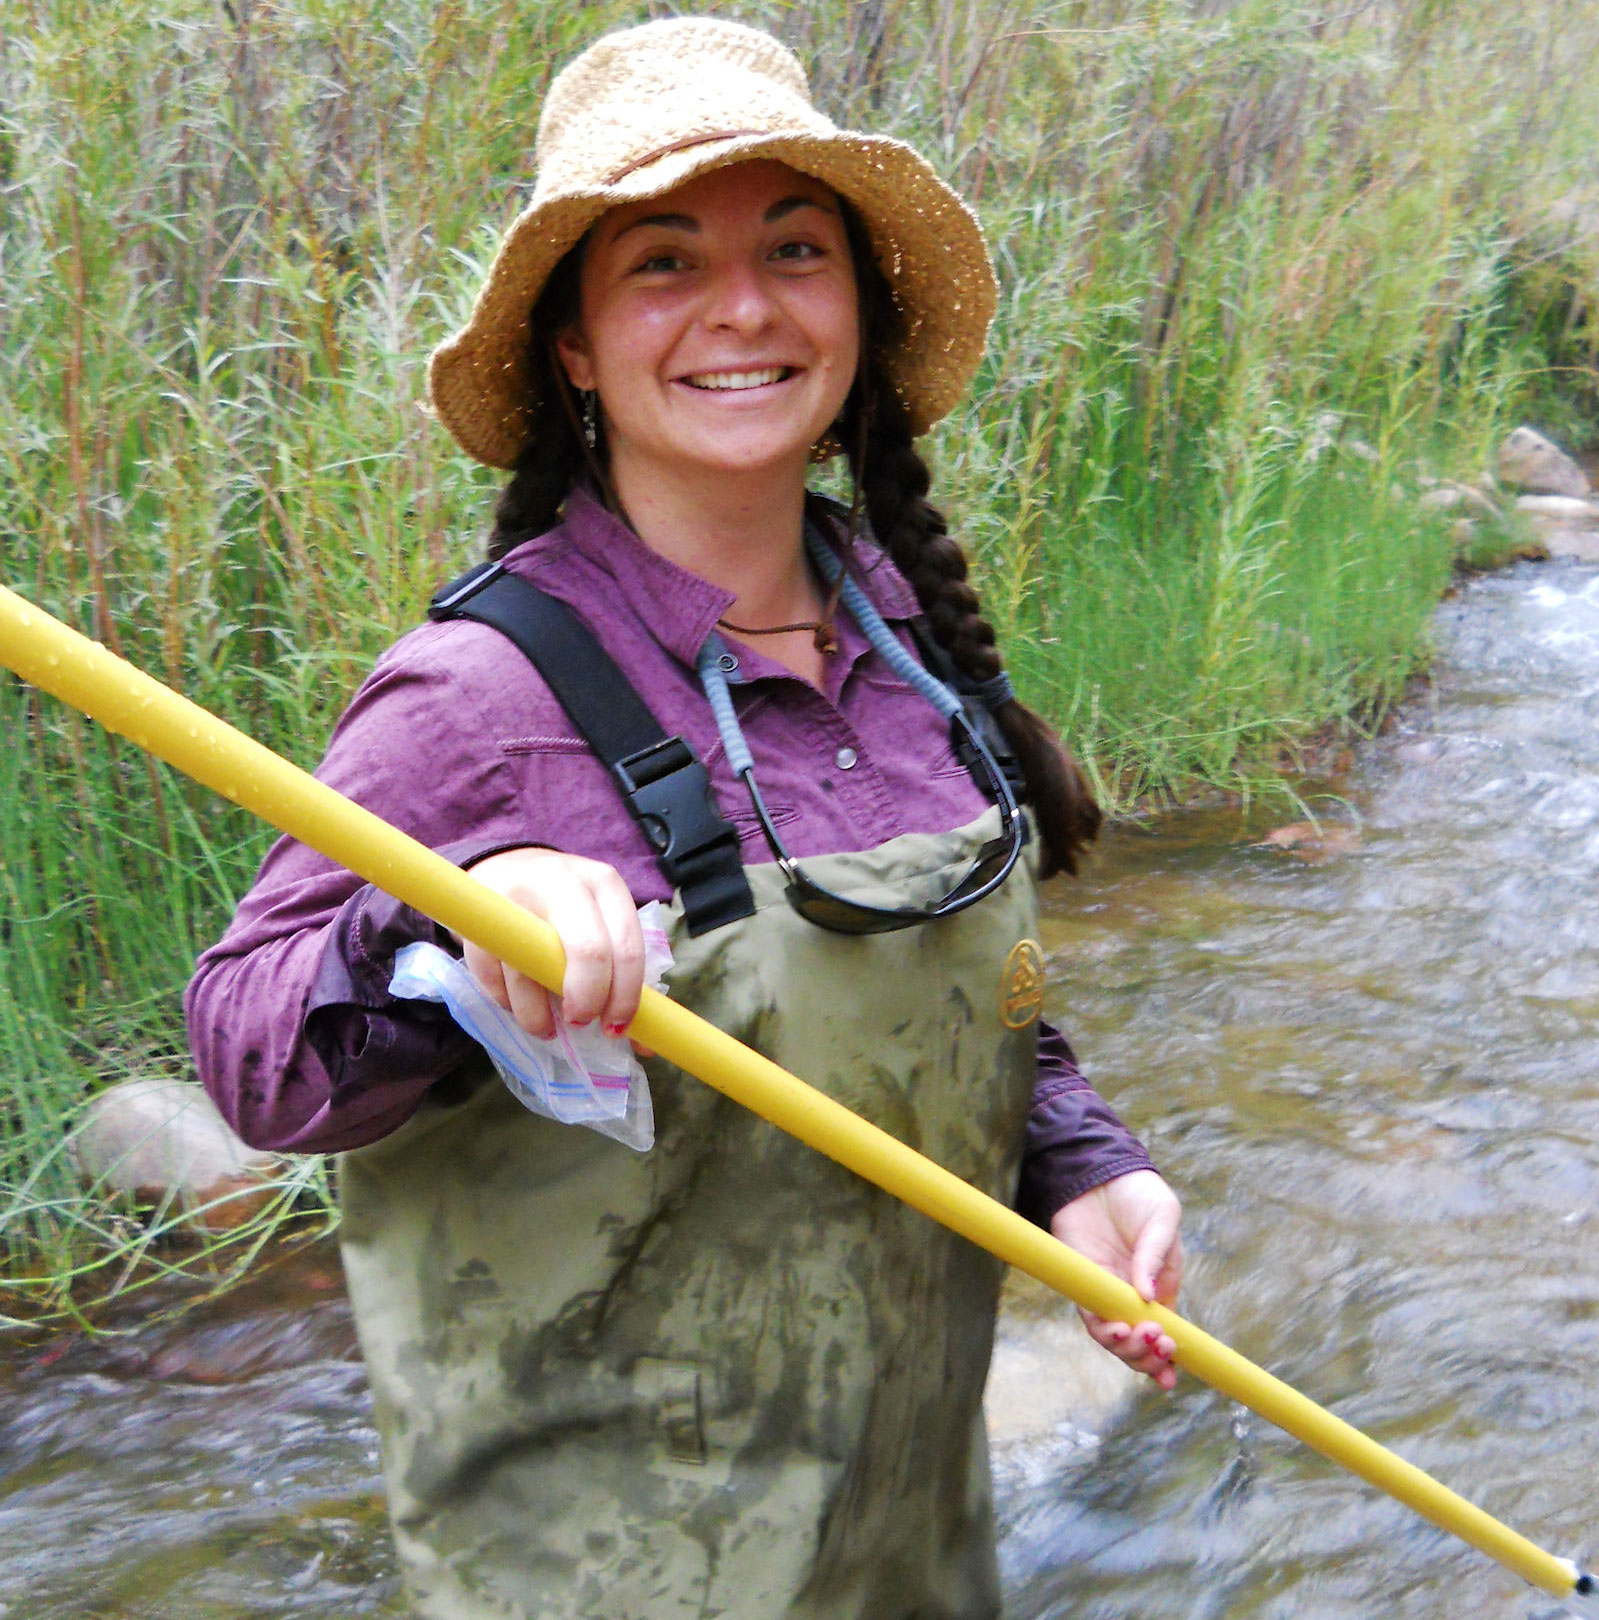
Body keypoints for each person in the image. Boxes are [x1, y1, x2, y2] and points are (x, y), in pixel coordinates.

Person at [187, 17, 1183, 1619]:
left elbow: (963, 994)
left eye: (795, 248)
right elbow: (246, 1053)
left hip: (908, 1556)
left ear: (854, 307)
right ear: (575, 346)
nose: (743, 307)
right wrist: (455, 913)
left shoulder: (902, 632)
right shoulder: (481, 691)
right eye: (664, 263)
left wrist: (1081, 1165)